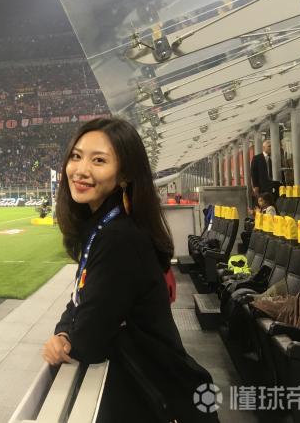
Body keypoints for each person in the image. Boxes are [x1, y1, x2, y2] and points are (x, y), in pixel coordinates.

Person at [42, 118, 217, 422]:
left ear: (124, 174)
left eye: (99, 160)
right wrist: (64, 330)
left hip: (157, 399)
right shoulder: (104, 226)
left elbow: (89, 342)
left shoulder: (118, 237)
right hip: (151, 390)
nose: (81, 169)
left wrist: (68, 337)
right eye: (76, 156)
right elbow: (80, 300)